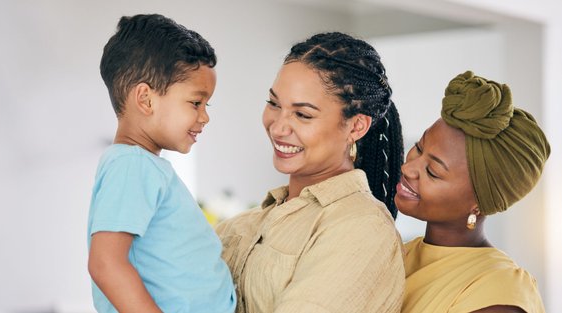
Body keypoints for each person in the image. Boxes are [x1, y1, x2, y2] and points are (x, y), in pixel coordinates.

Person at [216, 32, 405, 313]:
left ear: (356, 127)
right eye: (274, 104)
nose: (278, 127)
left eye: (303, 115)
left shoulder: (362, 229)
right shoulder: (243, 225)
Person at [87, 14, 235, 313]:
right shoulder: (132, 165)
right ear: (146, 99)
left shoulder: (144, 166)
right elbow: (106, 264)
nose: (204, 116)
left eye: (207, 105)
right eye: (196, 103)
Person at [396, 71, 549, 313]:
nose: (408, 168)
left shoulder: (499, 291)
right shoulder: (396, 254)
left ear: (478, 204)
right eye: (418, 148)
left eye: (433, 171)